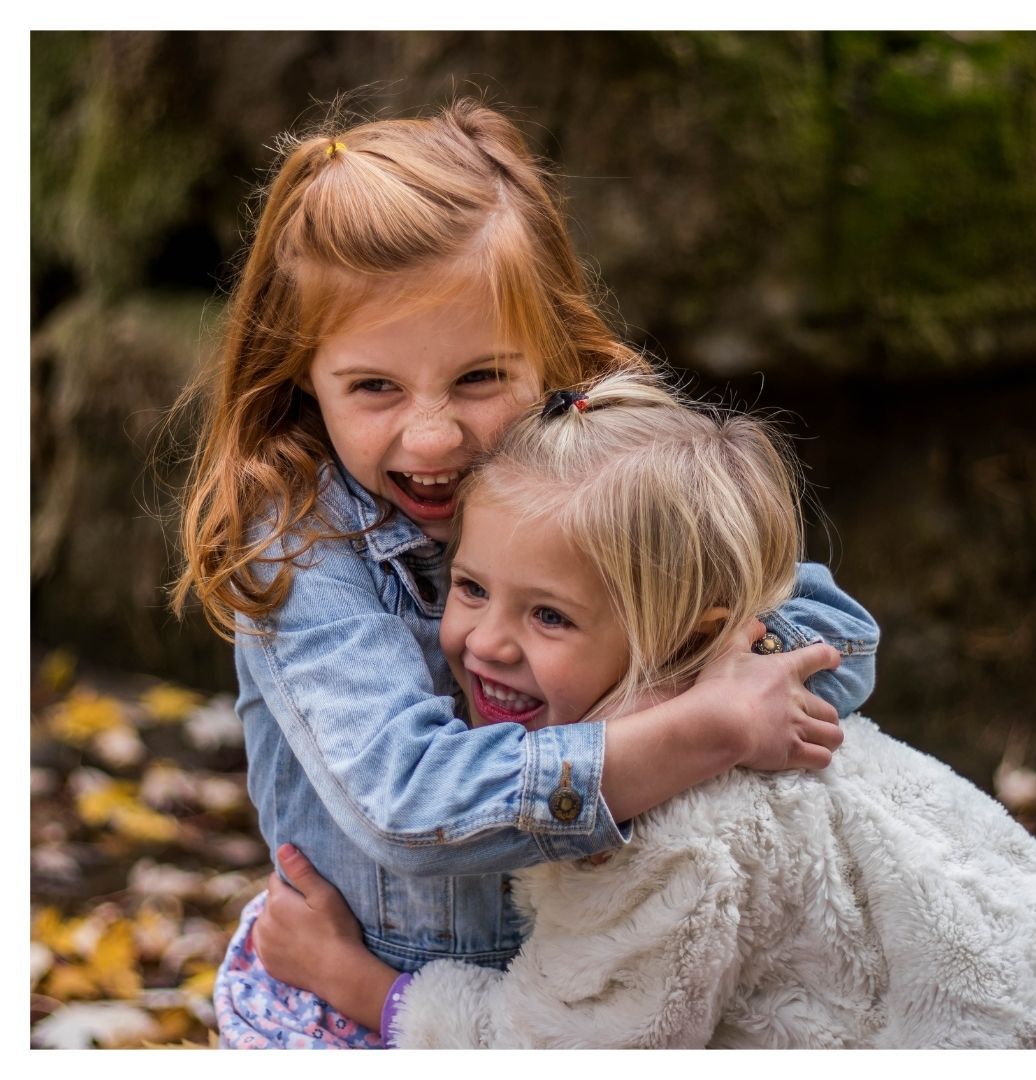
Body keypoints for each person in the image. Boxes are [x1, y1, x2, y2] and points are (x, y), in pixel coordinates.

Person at [170, 99, 877, 1050]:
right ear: (301, 374)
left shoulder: (599, 477)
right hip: (357, 1001)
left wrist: (687, 689)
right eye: (374, 387)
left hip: (589, 988)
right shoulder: (302, 544)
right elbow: (410, 803)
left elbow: (837, 640)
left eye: (478, 381)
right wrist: (691, 729)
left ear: (553, 351)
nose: (433, 437)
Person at [255, 372, 1036, 1049]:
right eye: (471, 588)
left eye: (550, 617)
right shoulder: (743, 693)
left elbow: (560, 1050)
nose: (486, 643)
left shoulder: (671, 835)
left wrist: (354, 983)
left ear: (687, 633)